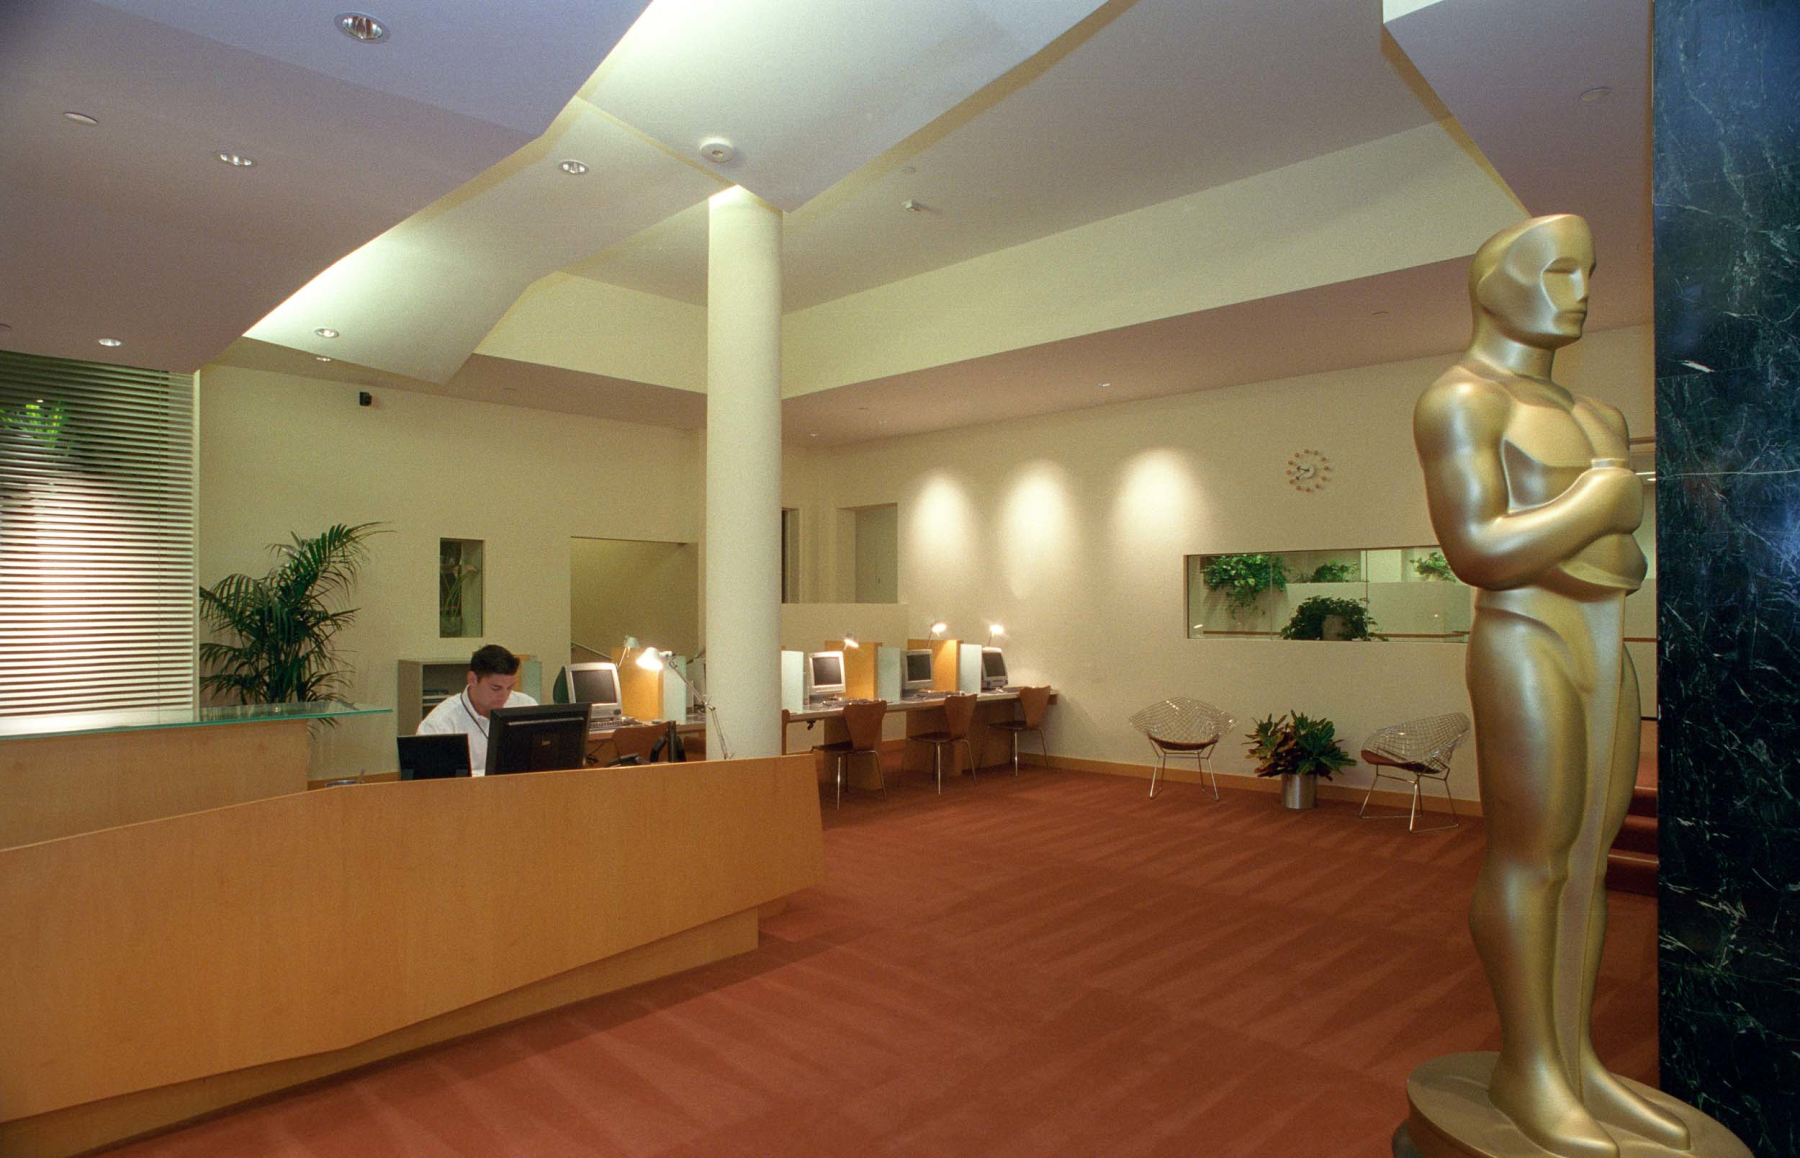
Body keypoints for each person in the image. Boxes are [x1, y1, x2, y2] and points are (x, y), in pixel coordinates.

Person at [1414, 214, 1687, 1156]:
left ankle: (1573, 1061)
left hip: (1604, 641)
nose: (1580, 290)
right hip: (1525, 635)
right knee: (1532, 854)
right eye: (1559, 269)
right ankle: (1527, 1067)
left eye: (1590, 270)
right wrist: (1594, 502)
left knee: (1589, 856)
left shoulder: (1600, 418)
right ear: (1496, 281)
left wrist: (1598, 522)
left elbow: (1628, 564)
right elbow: (1476, 549)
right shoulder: (1461, 400)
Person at [416, 644, 537, 775]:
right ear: (472, 679)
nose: (504, 696)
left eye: (509, 688)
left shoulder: (525, 706)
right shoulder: (439, 724)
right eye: (496, 688)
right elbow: (429, 781)